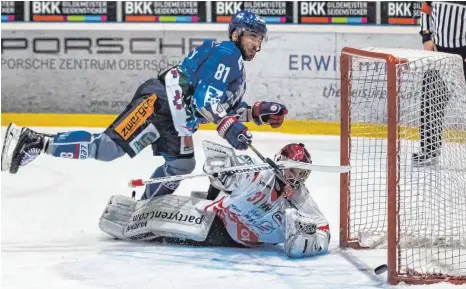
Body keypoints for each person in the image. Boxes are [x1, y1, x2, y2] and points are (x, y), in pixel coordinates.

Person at [1, 10, 288, 200]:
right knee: (107, 148)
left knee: (181, 164)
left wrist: (255, 112)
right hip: (159, 104)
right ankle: (35, 142)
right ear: (236, 33)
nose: (256, 44)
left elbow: (219, 105)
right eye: (252, 36)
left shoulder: (232, 62)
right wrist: (229, 126)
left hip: (177, 118)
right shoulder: (228, 55)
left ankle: (146, 208)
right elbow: (206, 101)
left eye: (260, 38)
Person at [99, 141, 330, 259]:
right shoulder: (259, 173)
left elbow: (323, 228)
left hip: (243, 242)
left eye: (301, 174)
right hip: (219, 224)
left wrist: (308, 238)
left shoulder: (300, 196)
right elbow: (219, 169)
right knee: (164, 227)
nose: (296, 178)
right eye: (292, 171)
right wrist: (222, 173)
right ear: (280, 162)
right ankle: (135, 214)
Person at [413, 1, 466, 165]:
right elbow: (425, 10)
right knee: (431, 101)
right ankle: (430, 150)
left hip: (463, 51)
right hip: (438, 50)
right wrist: (427, 37)